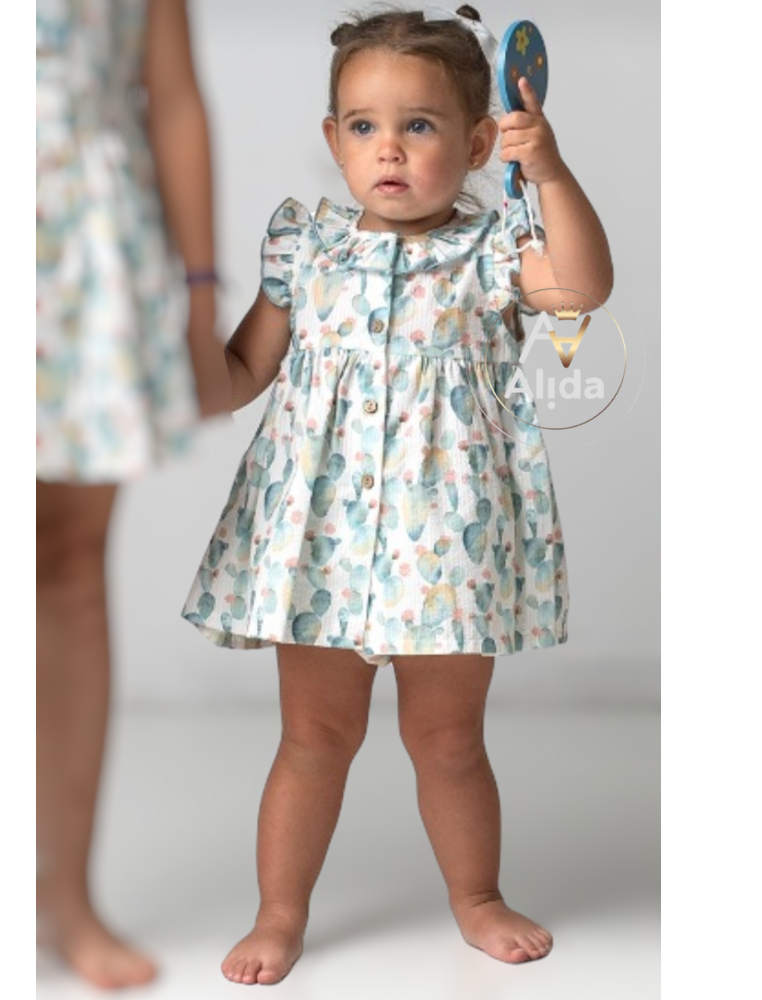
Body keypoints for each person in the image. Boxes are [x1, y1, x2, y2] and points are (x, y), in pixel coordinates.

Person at [182, 4, 612, 987]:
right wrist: (172, 356)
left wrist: (547, 171)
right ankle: (279, 912)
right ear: (333, 138)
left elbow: (582, 290)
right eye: (364, 125)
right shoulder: (305, 248)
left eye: (418, 125)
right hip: (320, 534)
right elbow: (244, 369)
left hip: (447, 530)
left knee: (448, 739)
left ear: (476, 144)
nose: (388, 147)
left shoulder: (493, 249)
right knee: (312, 736)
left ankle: (477, 896)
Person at [36, 0, 229, 989]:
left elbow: (175, 95)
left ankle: (63, 894)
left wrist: (200, 300)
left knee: (67, 566)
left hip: (82, 239)